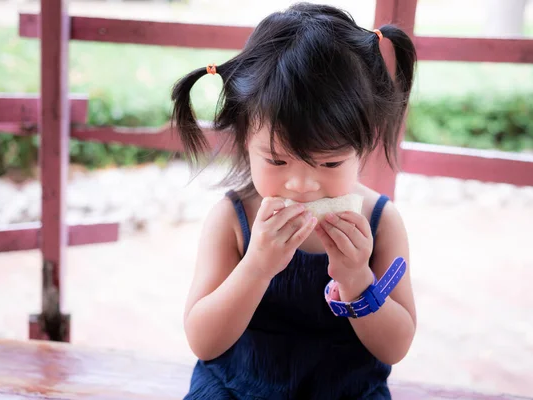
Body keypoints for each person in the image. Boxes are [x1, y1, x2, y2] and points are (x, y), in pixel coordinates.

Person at [170, 3, 417, 399]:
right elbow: (203, 341)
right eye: (276, 160)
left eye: (330, 161)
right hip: (237, 388)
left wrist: (356, 280)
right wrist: (256, 268)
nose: (301, 184)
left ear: (365, 142)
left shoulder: (380, 222)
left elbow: (395, 346)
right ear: (243, 138)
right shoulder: (233, 220)